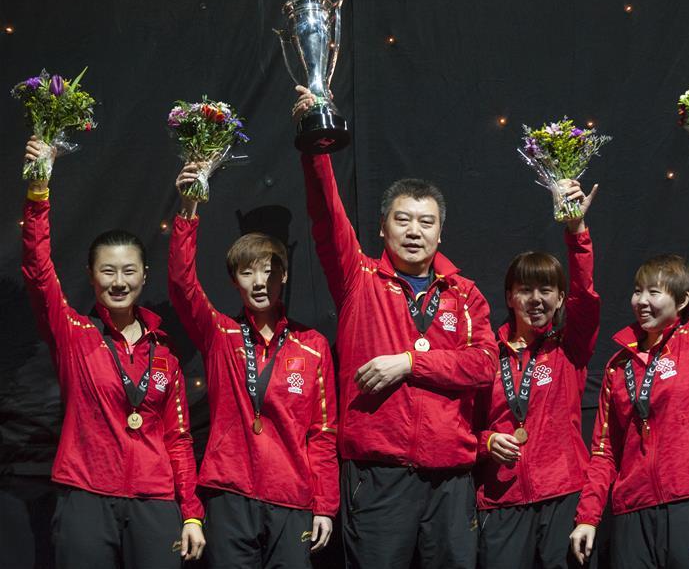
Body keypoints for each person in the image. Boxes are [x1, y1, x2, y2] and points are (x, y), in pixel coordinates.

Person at [294, 85, 499, 569]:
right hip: (378, 475)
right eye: (402, 220)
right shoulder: (358, 279)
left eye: (425, 222)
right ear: (382, 229)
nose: (414, 231)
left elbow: (485, 365)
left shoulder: (464, 293)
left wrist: (409, 363)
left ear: (440, 231)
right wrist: (315, 145)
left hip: (451, 478)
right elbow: (327, 216)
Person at [20, 136, 205, 568]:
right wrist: (38, 188)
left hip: (155, 501)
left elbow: (178, 439)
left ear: (144, 275)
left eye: (128, 271)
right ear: (91, 276)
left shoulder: (165, 352)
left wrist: (192, 513)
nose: (118, 281)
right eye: (108, 271)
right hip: (86, 496)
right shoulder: (74, 334)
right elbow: (37, 268)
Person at [570, 144, 689, 568]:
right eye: (637, 291)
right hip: (632, 513)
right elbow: (605, 450)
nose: (641, 301)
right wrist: (589, 516)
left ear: (683, 301)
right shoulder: (618, 365)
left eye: (654, 292)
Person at [168, 165, 339, 568]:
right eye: (248, 272)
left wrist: (325, 505)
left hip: (292, 498)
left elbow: (324, 434)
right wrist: (188, 208)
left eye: (269, 271)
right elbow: (181, 284)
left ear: (284, 276)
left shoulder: (312, 346)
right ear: (234, 281)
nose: (260, 282)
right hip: (230, 494)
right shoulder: (220, 335)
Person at [476, 179, 600, 569]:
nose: (537, 299)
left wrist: (576, 230)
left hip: (563, 495)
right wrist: (486, 441)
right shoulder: (483, 355)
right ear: (510, 297)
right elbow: (460, 425)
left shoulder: (569, 349)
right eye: (526, 289)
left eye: (547, 289)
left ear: (561, 298)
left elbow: (587, 295)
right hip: (501, 502)